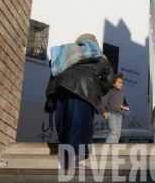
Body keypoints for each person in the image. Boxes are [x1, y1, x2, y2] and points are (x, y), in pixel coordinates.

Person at [44, 33, 113, 167]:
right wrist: (97, 91)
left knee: (64, 123)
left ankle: (66, 157)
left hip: (61, 89)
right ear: (95, 44)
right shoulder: (99, 56)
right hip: (83, 91)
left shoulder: (69, 53)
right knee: (79, 125)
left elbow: (52, 64)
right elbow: (109, 77)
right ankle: (73, 160)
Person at [101, 73, 130, 143]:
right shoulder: (109, 92)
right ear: (113, 83)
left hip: (119, 115)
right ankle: (106, 149)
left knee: (117, 134)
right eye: (119, 82)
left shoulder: (122, 94)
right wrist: (103, 111)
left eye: (122, 83)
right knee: (113, 131)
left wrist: (127, 109)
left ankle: (113, 150)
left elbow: (124, 104)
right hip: (111, 114)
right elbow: (102, 101)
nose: (121, 84)